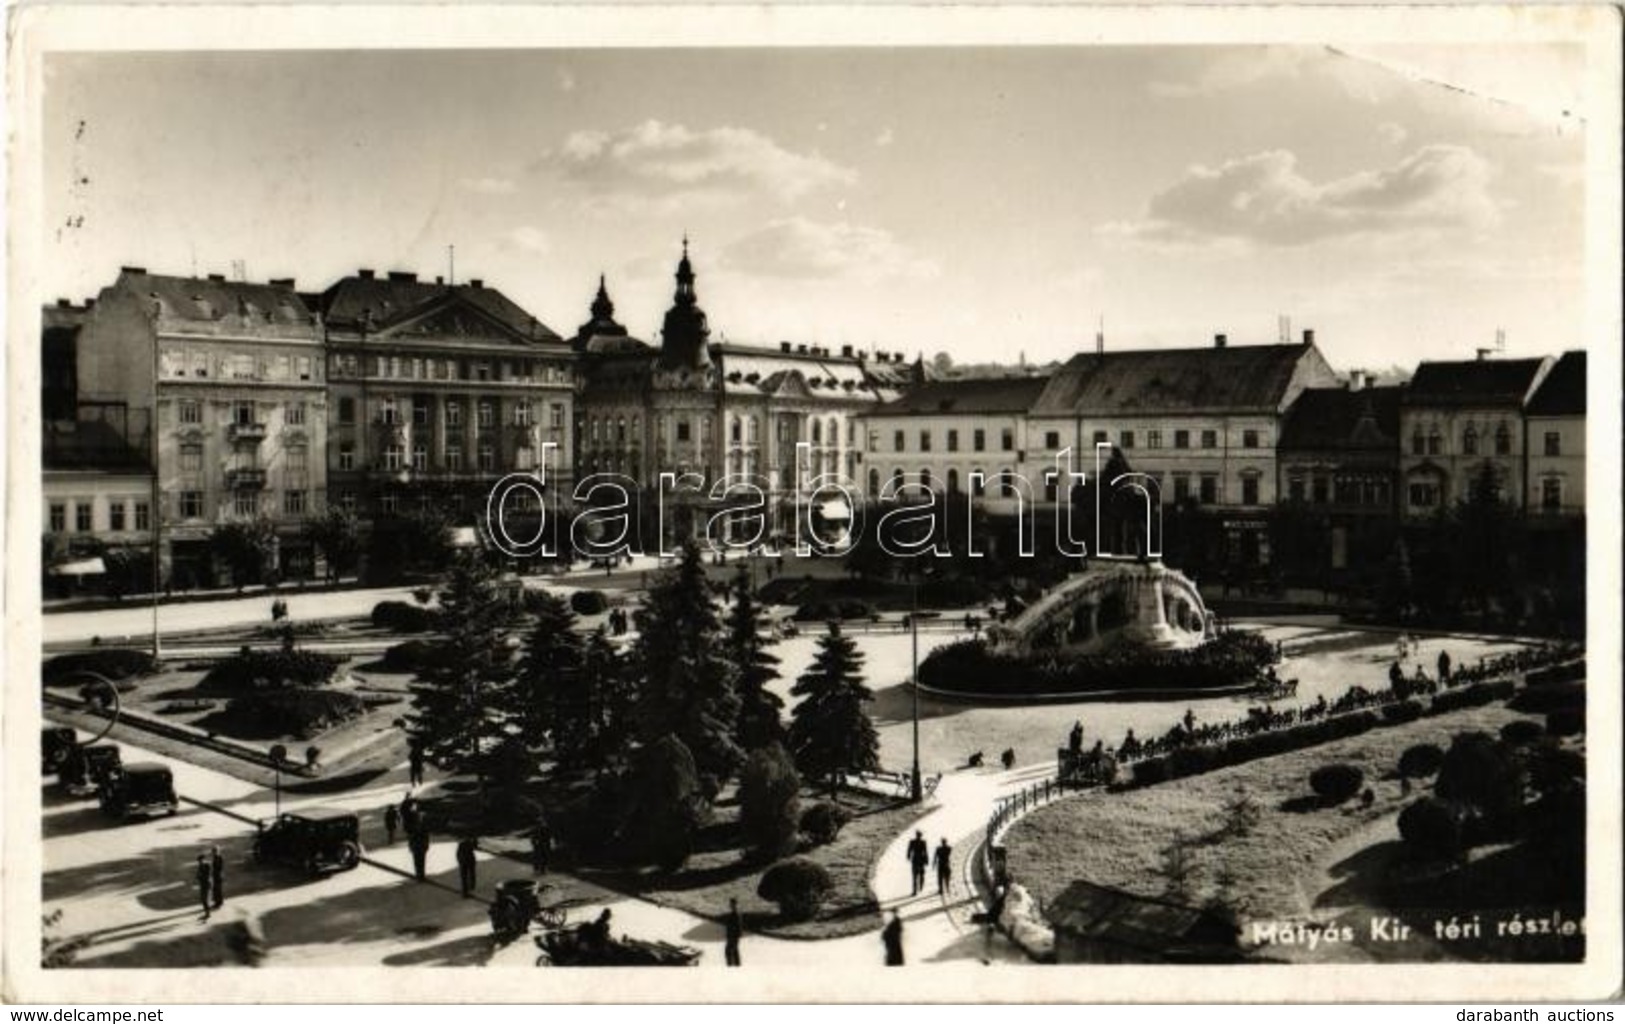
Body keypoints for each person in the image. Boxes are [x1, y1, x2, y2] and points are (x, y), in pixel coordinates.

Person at [905, 830, 929, 896]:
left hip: (917, 860)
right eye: (918, 835)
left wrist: (908, 856)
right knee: (917, 875)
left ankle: (918, 888)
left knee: (918, 875)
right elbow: (909, 850)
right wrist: (908, 856)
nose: (918, 836)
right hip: (918, 860)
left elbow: (925, 851)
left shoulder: (920, 842)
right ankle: (917, 890)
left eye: (919, 835)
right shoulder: (916, 842)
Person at [723, 897, 744, 967]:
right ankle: (736, 964)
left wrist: (736, 934)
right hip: (732, 935)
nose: (730, 905)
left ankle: (731, 965)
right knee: (734, 950)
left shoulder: (735, 914)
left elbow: (737, 925)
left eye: (731, 904)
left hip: (733, 935)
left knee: (728, 951)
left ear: (734, 904)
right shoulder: (735, 913)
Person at [195, 854, 214, 921]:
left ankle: (208, 914)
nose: (200, 862)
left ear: (204, 860)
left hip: (207, 884)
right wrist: (198, 876)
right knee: (203, 900)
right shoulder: (200, 866)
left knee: (206, 900)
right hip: (202, 884)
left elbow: (207, 875)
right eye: (199, 861)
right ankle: (206, 913)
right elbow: (197, 876)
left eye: (201, 860)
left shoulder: (207, 865)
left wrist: (201, 876)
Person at [210, 844, 225, 910]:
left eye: (214, 851)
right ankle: (219, 902)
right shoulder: (217, 857)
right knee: (218, 889)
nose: (213, 853)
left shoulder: (218, 857)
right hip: (217, 875)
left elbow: (219, 867)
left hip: (217, 875)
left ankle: (218, 903)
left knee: (217, 889)